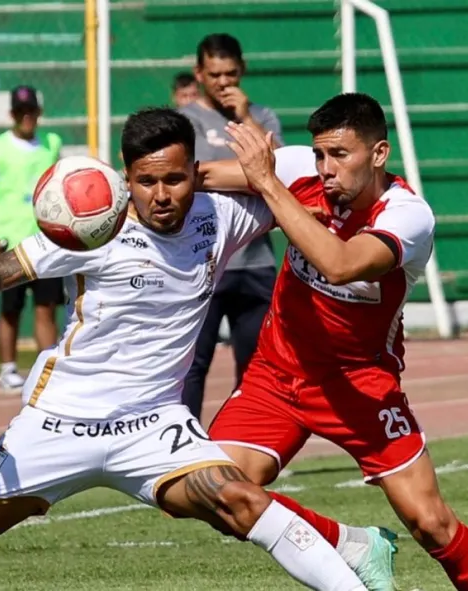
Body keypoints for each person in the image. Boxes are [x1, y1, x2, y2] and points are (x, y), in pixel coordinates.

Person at [0, 107, 395, 591]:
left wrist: (305, 187)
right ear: (126, 179)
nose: (161, 195)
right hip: (58, 423)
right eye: (146, 181)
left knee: (242, 501)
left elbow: (309, 189)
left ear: (197, 173)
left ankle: (353, 561)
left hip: (152, 427)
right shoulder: (92, 228)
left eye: (175, 179)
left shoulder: (221, 216)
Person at [200, 93, 468, 591]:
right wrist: (126, 186)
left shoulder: (407, 216)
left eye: (340, 155)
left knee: (431, 523)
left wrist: (268, 184)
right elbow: (199, 176)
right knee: (215, 492)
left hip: (359, 385)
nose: (326, 168)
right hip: (277, 374)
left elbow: (340, 265)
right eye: (320, 154)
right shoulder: (299, 170)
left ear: (379, 153)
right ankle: (353, 543)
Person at [178, 33, 283, 421]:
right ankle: (185, 443)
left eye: (231, 74)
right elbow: (189, 177)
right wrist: (249, 176)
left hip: (256, 262)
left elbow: (283, 173)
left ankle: (247, 441)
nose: (224, 82)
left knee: (258, 368)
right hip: (203, 261)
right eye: (215, 74)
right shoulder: (185, 121)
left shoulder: (263, 118)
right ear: (199, 74)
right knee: (192, 365)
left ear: (243, 70)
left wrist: (245, 120)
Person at [0, 85, 65, 395]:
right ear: (12, 114)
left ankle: (47, 370)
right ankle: (8, 370)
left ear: (39, 113)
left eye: (31, 111)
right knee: (11, 309)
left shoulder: (52, 143)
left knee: (46, 307)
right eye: (20, 112)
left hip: (46, 239)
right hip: (11, 241)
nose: (26, 117)